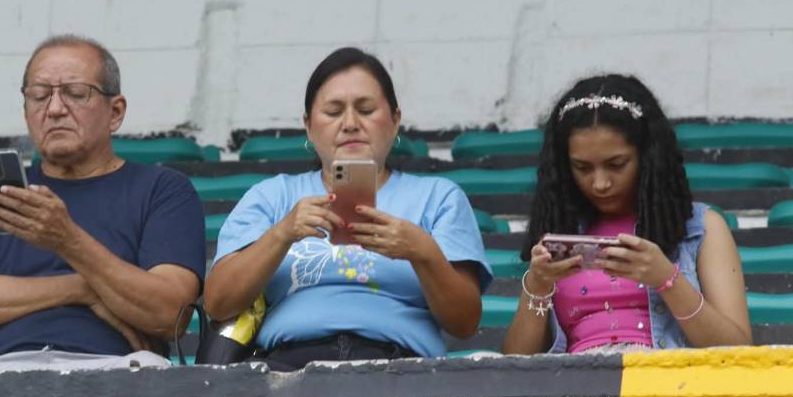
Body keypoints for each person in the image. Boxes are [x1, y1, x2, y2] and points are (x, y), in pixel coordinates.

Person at [204, 47, 491, 370]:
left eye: (366, 110)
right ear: (309, 126)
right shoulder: (272, 196)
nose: (351, 123)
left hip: (403, 370)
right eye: (333, 112)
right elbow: (219, 303)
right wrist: (282, 234)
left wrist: (421, 250)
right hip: (288, 368)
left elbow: (465, 323)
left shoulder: (438, 197)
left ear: (395, 120)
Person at [0, 34, 205, 370]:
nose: (55, 109)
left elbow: (170, 314)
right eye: (39, 95)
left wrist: (68, 239)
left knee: (150, 366)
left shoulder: (163, 190)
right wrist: (82, 288)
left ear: (115, 112)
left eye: (76, 93)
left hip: (116, 370)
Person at [501, 74, 751, 354]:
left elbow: (739, 352)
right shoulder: (560, 227)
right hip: (576, 378)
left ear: (649, 156)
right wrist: (537, 284)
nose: (600, 183)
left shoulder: (701, 227)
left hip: (666, 375)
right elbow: (513, 365)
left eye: (616, 164)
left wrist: (666, 279)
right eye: (582, 168)